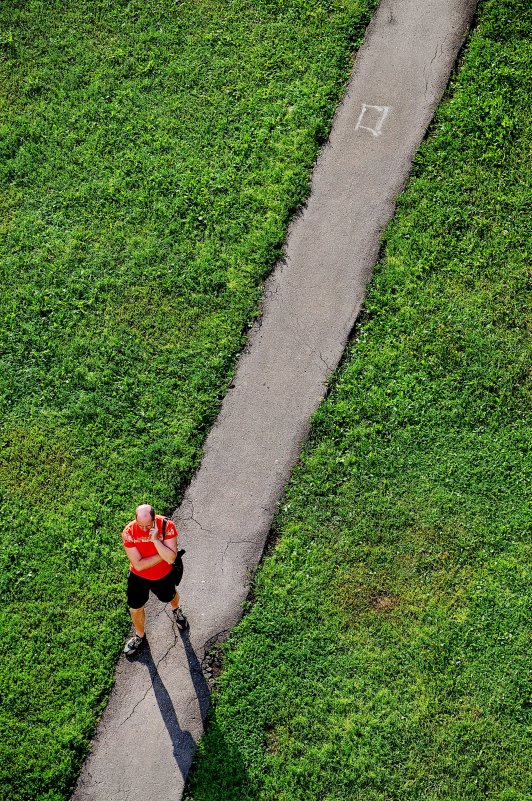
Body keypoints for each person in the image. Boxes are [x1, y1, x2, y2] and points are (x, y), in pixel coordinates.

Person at [122, 503, 188, 656]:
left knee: (170, 596)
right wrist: (163, 554)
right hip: (138, 577)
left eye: (148, 525)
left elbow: (171, 558)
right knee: (135, 608)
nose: (145, 530)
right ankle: (139, 636)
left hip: (163, 575)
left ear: (154, 519)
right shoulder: (128, 533)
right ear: (134, 520)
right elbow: (139, 565)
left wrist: (156, 541)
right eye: (141, 525)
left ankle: (176, 610)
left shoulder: (167, 526)